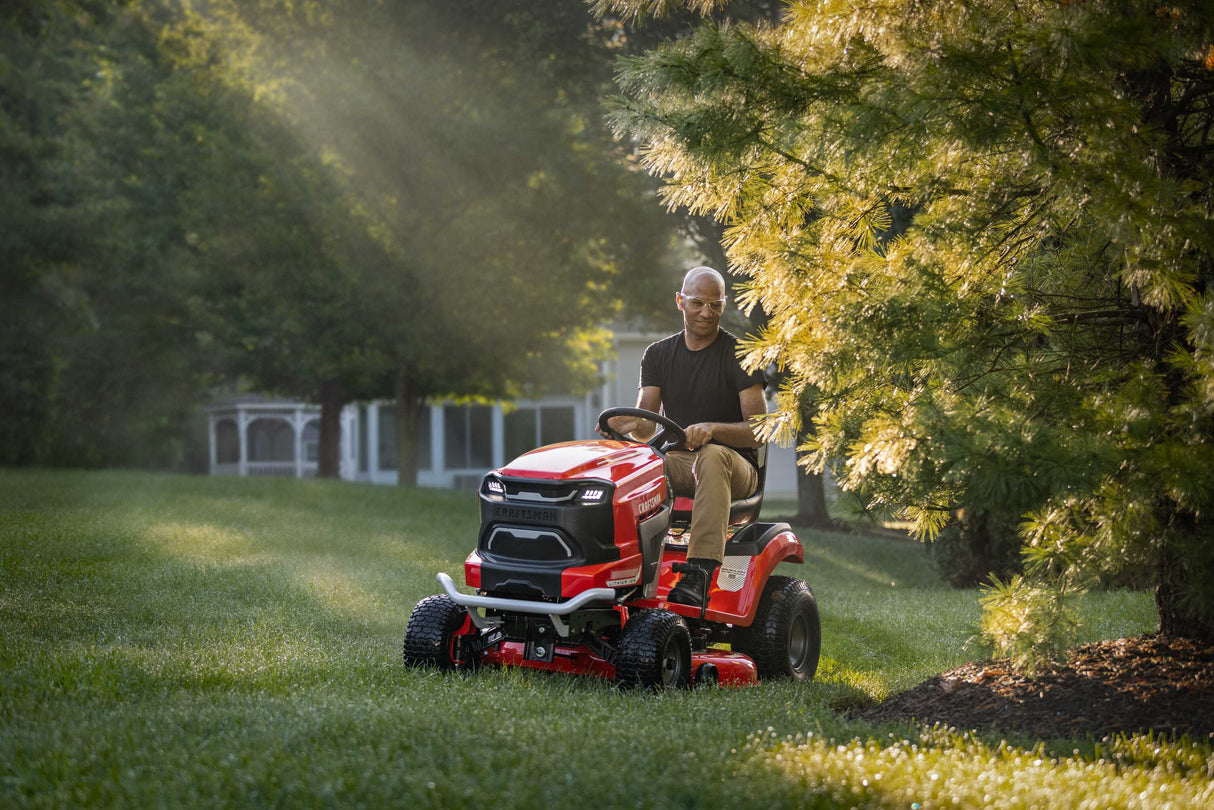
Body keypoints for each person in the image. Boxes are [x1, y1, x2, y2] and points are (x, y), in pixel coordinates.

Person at [600, 266, 766, 607]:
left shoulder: (740, 354)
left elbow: (759, 432)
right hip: (682, 460)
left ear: (723, 304)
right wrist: (622, 422)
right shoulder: (659, 354)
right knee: (637, 469)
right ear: (680, 301)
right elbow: (646, 426)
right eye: (697, 303)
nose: (707, 313)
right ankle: (615, 564)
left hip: (736, 466)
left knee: (712, 455)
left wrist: (714, 429)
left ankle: (699, 573)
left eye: (715, 305)